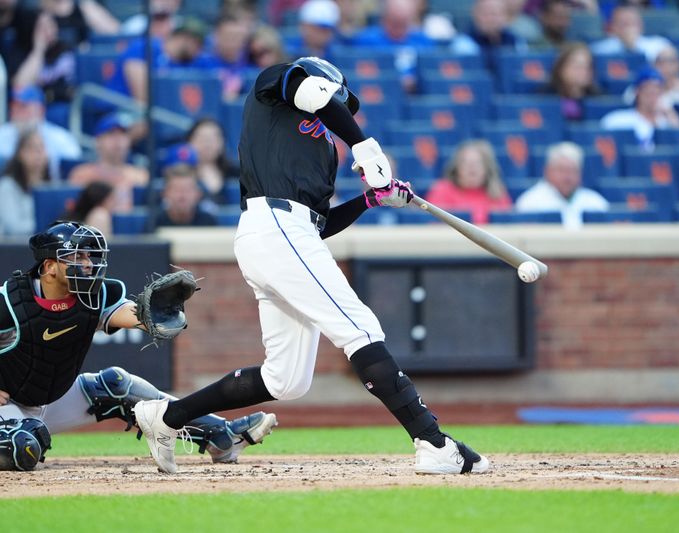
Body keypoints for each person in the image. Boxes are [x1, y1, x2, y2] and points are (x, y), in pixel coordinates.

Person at [133, 57, 490, 476]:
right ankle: (433, 442)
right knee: (359, 329)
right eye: (339, 98)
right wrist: (364, 145)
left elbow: (320, 224)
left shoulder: (321, 153)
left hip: (285, 235)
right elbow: (312, 94)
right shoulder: (275, 87)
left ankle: (168, 417)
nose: (340, 107)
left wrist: (370, 200)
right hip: (273, 226)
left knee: (286, 379)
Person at [0, 221, 278, 471]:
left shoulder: (94, 295)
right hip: (8, 404)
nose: (87, 264)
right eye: (75, 257)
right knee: (22, 448)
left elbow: (131, 315)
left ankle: (221, 434)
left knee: (114, 384)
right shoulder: (10, 302)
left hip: (53, 397)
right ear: (49, 267)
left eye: (88, 256)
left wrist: (152, 314)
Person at [515, 142, 609, 230]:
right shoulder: (529, 202)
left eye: (573, 171)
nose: (567, 177)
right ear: (547, 171)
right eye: (561, 170)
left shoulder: (595, 202)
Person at [68, 114, 148, 214]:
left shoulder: (141, 176)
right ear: (98, 141)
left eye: (123, 134)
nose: (118, 140)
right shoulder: (82, 175)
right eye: (111, 134)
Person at [0, 86, 81, 180]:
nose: (16, 111)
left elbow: (74, 166)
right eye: (14, 106)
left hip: (48, 189)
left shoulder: (60, 138)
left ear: (41, 110)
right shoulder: (2, 134)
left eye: (23, 106)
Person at [425, 139, 512, 224]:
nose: (472, 168)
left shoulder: (498, 193)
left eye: (477, 163)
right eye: (465, 162)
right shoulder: (441, 190)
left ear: (487, 167)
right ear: (456, 167)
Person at [600, 68, 679, 150]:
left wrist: (669, 113)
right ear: (637, 91)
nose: (652, 94)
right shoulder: (619, 119)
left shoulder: (666, 122)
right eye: (648, 90)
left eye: (656, 90)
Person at [0, 129, 50, 237]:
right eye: (32, 148)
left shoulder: (52, 187)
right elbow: (14, 227)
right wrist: (49, 226)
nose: (38, 153)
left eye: (41, 147)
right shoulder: (7, 186)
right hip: (15, 249)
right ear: (20, 153)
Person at [590, 4, 670, 63]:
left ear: (641, 25)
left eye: (632, 23)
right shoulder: (600, 50)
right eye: (624, 24)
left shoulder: (659, 45)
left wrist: (633, 46)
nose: (629, 28)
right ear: (612, 27)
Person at [544, 41, 601, 121]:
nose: (584, 72)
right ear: (561, 68)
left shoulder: (598, 98)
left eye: (588, 67)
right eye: (578, 67)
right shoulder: (544, 96)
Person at [187, 118, 236, 205]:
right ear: (189, 142)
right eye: (202, 138)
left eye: (213, 139)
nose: (207, 144)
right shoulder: (180, 174)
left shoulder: (238, 173)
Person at [152, 164, 219, 228]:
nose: (182, 195)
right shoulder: (154, 222)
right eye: (176, 189)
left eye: (188, 189)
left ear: (198, 194)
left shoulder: (208, 222)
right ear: (165, 193)